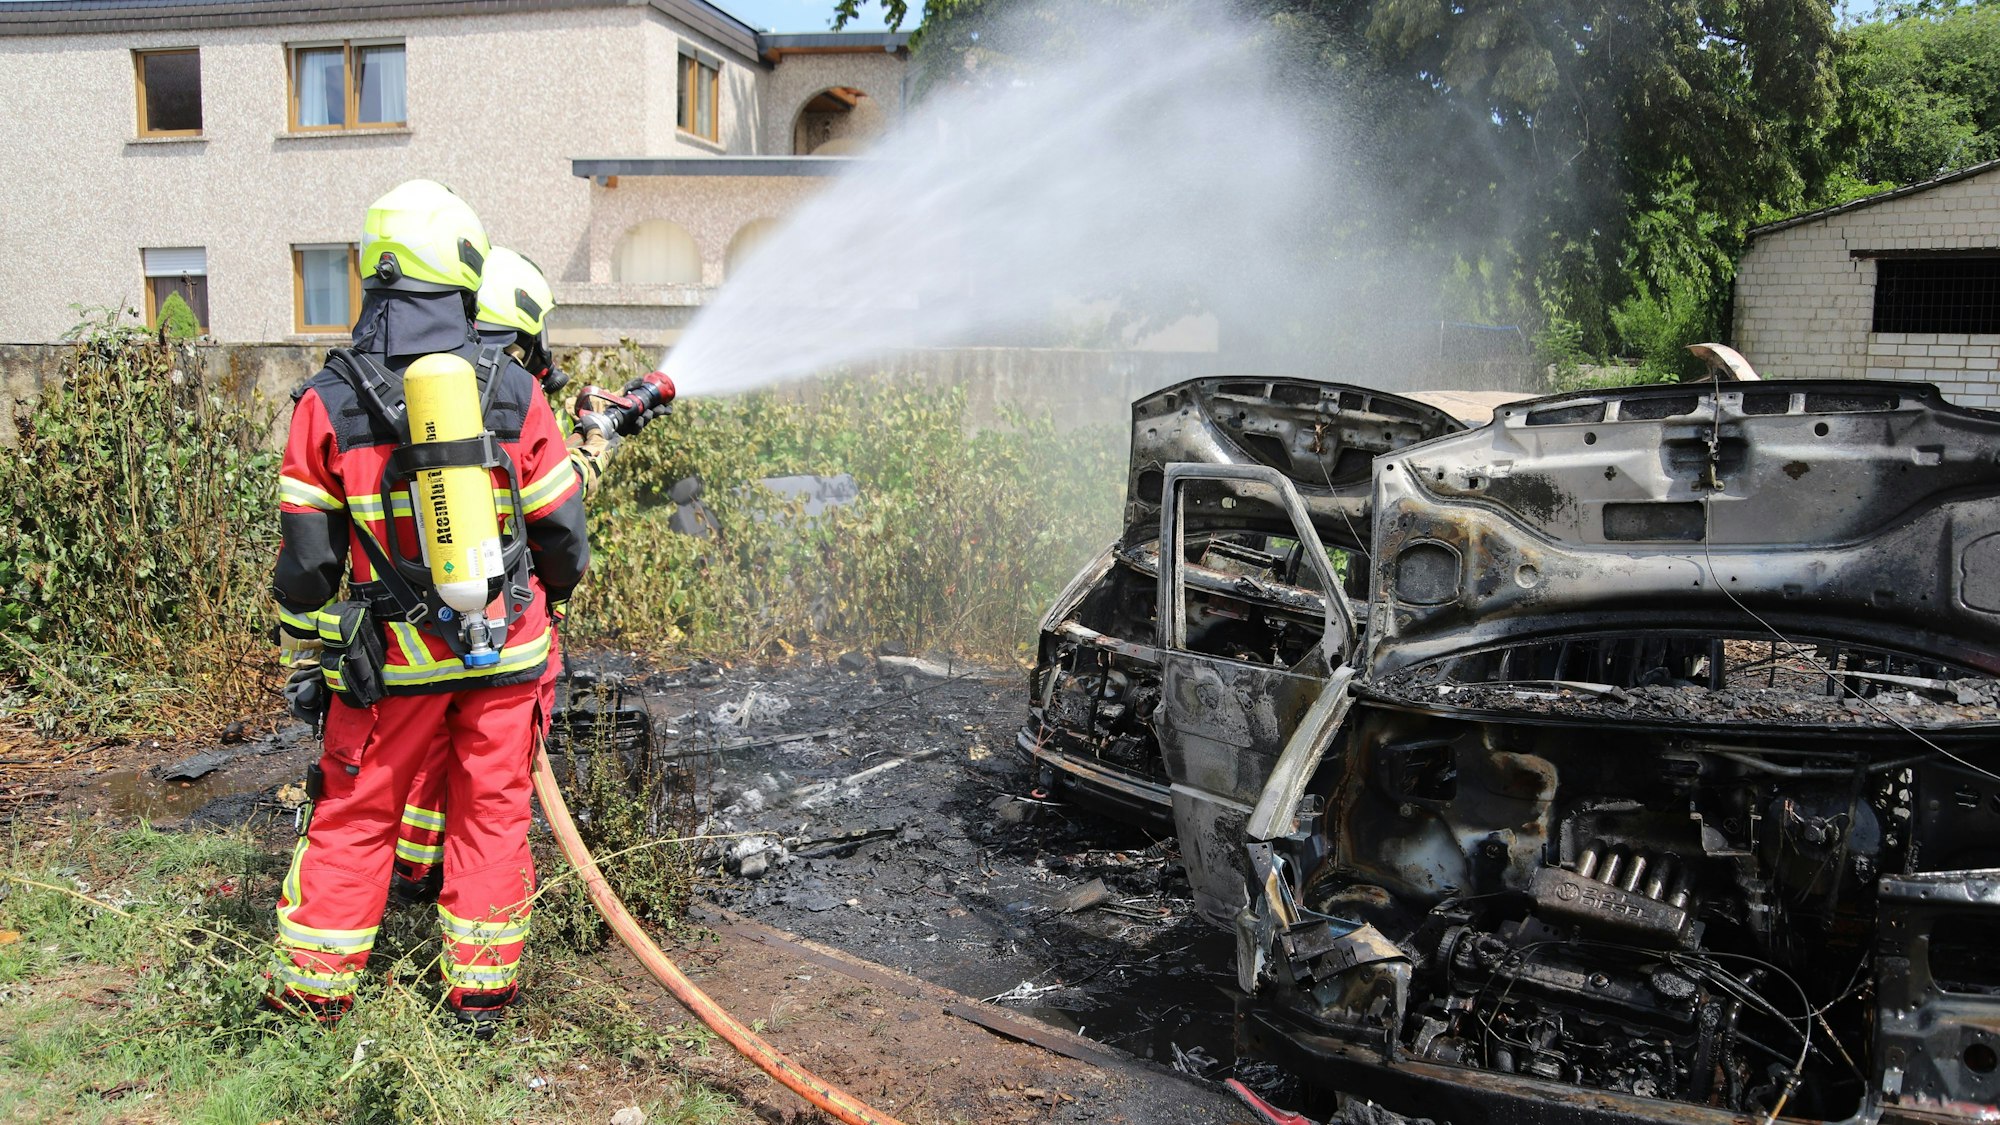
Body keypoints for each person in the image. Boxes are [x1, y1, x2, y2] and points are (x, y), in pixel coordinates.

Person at [269, 180, 591, 1035]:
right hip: (506, 650)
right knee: (492, 811)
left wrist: (312, 642)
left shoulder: (327, 399)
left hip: (394, 663)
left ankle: (313, 995)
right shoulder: (514, 388)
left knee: (358, 810)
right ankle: (480, 997)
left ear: (375, 271)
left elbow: (309, 563)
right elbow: (563, 534)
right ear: (462, 273)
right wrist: (548, 601)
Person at [388, 246, 622, 901]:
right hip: (506, 623)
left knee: (428, 749)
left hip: (410, 627)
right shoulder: (511, 394)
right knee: (492, 776)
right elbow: (553, 511)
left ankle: (415, 868)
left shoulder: (404, 390)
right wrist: (595, 447)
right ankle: (469, 897)